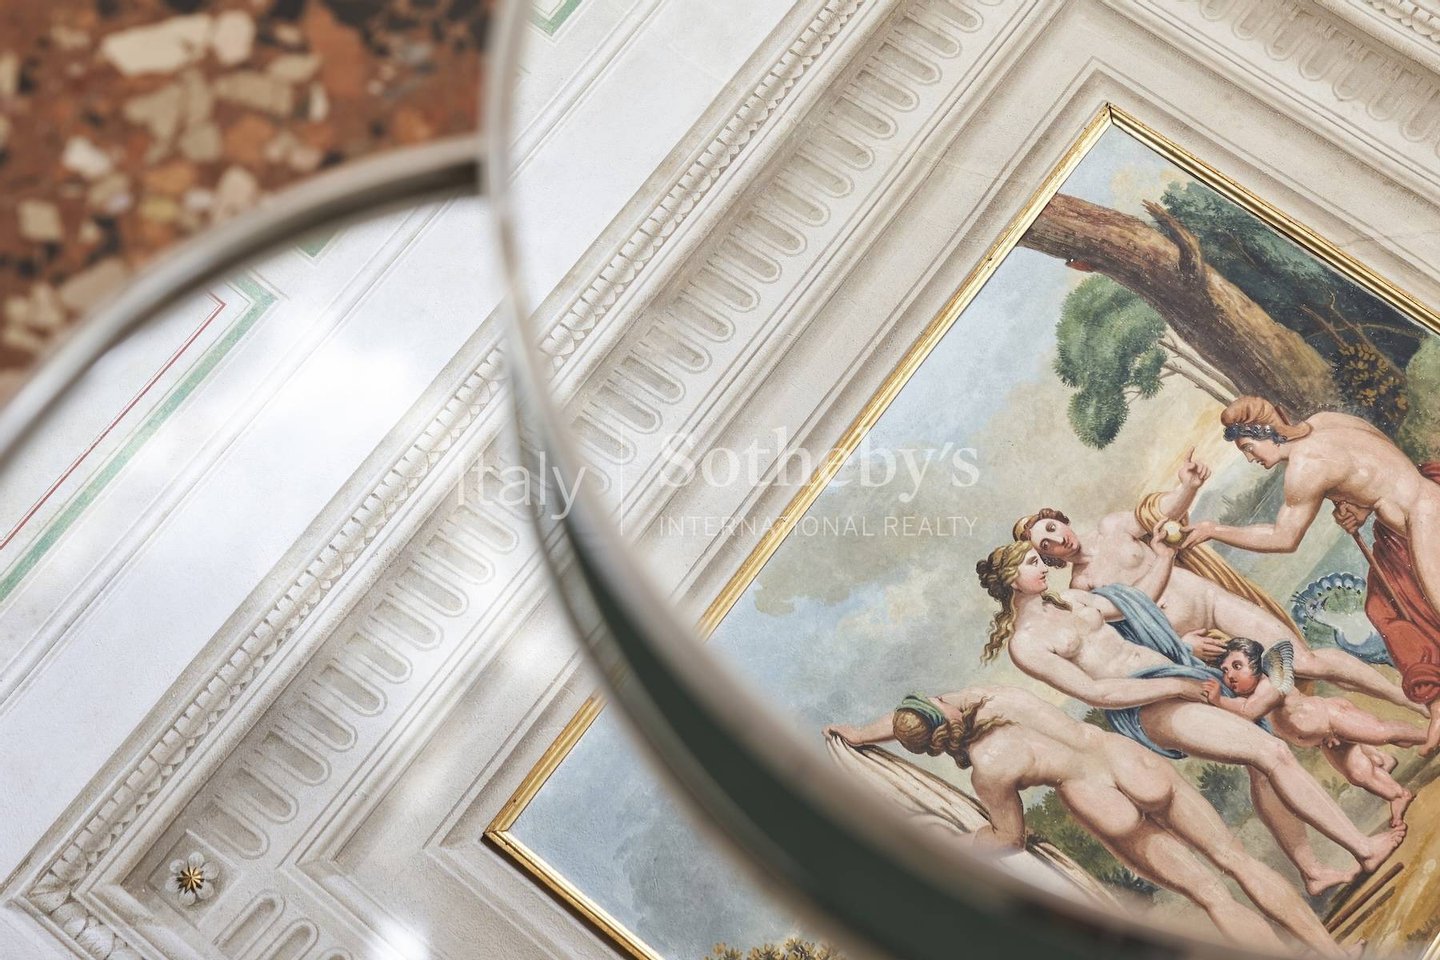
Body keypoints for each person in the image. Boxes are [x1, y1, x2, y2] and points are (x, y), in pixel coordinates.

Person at [974, 536, 1405, 891]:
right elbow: (1097, 692)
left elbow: (1139, 603)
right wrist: (1175, 686)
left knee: (1264, 761)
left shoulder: (1069, 600)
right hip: (1150, 705)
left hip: (1182, 676)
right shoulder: (1025, 644)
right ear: (1011, 579)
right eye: (1032, 562)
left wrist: (1164, 558)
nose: (1043, 566)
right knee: (1271, 753)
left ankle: (1313, 871)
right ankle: (1363, 849)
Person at [824, 686, 1346, 956]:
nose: (944, 697)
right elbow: (924, 711)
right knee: (1237, 859)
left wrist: (954, 845)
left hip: (1096, 799)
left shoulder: (989, 770)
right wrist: (870, 730)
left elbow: (1009, 837)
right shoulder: (994, 696)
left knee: (1210, 894)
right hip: (1127, 764)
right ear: (945, 709)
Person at [1012, 449, 1416, 714]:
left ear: (1060, 519)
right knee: (1278, 703)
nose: (1058, 539)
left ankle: (1412, 701)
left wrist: (1188, 485)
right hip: (1196, 644)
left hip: (1211, 601)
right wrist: (1182, 646)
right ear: (1048, 557)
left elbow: (1162, 512)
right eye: (1046, 544)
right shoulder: (1080, 590)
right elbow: (1127, 638)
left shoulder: (1113, 528)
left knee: (1303, 660)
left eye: (1053, 528)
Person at [1183, 396, 1440, 752]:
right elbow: (1379, 462)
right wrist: (1363, 506)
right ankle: (1437, 703)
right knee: (1384, 607)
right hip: (1415, 507)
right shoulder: (1325, 420)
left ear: (1265, 432)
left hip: (1425, 515)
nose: (1250, 458)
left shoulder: (1305, 467)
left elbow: (1283, 538)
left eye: (1248, 447)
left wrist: (1213, 529)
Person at [1204, 637, 1423, 829]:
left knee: (1381, 732)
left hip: (1333, 717)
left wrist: (1218, 700)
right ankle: (1397, 795)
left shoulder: (1270, 685)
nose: (1230, 675)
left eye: (1237, 666)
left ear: (1255, 664)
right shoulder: (1249, 698)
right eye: (1225, 671)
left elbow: (1249, 712)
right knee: (1358, 774)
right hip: (1325, 739)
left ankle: (1426, 735)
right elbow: (1243, 709)